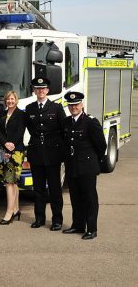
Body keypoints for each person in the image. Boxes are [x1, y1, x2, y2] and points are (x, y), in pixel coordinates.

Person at [62, 92, 106, 240]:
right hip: (73, 166)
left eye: (76, 104)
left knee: (89, 198)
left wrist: (94, 160)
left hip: (87, 167)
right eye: (71, 105)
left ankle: (92, 228)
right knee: (75, 197)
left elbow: (101, 145)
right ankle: (78, 225)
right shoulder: (67, 122)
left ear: (82, 105)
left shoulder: (91, 122)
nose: (74, 107)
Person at [25, 77, 65, 231]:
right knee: (39, 189)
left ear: (48, 90)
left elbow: (63, 130)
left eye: (43, 88)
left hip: (53, 154)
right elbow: (29, 128)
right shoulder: (30, 109)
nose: (40, 91)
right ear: (34, 91)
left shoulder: (56, 108)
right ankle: (39, 218)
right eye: (37, 88)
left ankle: (57, 220)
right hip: (36, 154)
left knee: (54, 190)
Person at [0, 91, 25, 225]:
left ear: (16, 100)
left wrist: (10, 147)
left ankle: (9, 212)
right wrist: (5, 144)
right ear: (5, 101)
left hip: (16, 151)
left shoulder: (21, 115)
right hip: (3, 150)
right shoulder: (2, 114)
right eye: (8, 99)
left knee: (10, 181)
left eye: (12, 99)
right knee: (12, 182)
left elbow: (20, 132)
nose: (10, 101)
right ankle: (16, 209)